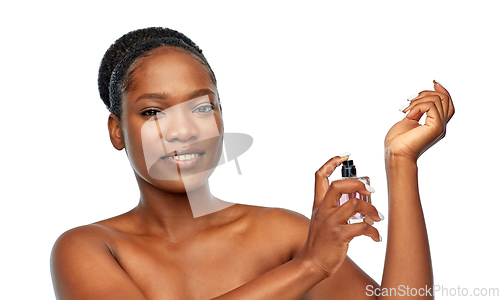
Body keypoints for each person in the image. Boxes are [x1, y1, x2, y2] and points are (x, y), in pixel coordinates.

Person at [50, 27, 455, 299]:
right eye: (154, 112)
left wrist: (400, 164)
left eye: (202, 106)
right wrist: (308, 266)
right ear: (116, 130)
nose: (183, 130)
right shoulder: (88, 248)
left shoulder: (283, 234)